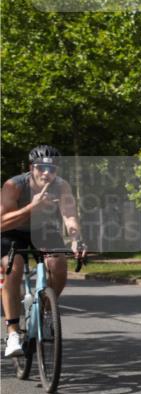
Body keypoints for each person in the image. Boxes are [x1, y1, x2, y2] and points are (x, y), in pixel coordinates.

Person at [1, 145, 86, 358]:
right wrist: (32, 207)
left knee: (58, 265)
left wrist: (76, 239)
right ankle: (12, 334)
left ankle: (47, 313)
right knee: (13, 268)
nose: (46, 173)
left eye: (52, 169)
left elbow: (69, 215)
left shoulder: (61, 186)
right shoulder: (14, 185)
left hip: (43, 230)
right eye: (41, 168)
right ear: (32, 168)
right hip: (11, 231)